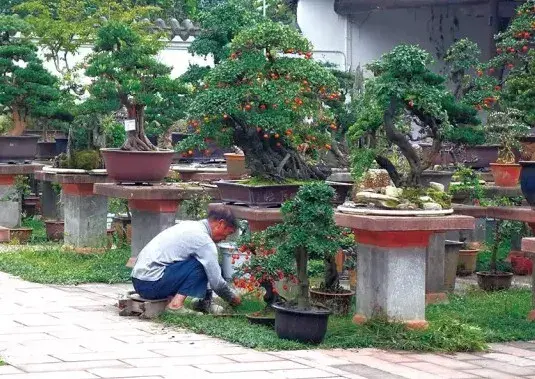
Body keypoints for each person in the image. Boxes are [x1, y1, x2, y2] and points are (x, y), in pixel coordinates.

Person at [131, 206, 241, 314]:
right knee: (202, 265)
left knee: (209, 264)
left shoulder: (191, 225)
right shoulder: (203, 240)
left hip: (138, 281)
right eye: (229, 232)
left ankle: (204, 302)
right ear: (220, 224)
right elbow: (217, 283)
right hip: (150, 285)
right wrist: (234, 300)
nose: (225, 238)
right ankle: (175, 305)